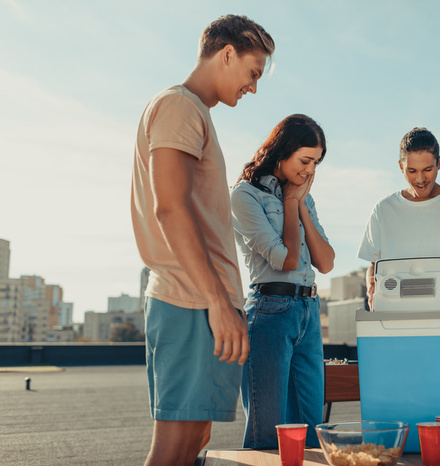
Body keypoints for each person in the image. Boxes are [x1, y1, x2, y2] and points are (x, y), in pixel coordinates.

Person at [130, 15, 274, 466]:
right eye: (253, 72)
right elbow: (169, 207)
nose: (254, 87)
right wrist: (216, 301)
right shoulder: (180, 106)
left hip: (202, 301)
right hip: (190, 300)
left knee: (194, 442)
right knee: (173, 450)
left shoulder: (194, 113)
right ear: (226, 53)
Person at [358, 127, 440, 412]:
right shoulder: (383, 209)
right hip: (395, 324)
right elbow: (373, 265)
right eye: (411, 170)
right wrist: (371, 286)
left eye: (428, 169)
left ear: (439, 163)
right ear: (400, 166)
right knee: (402, 405)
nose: (420, 179)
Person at [230, 114, 335, 449]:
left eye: (316, 163)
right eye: (305, 160)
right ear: (283, 151)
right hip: (270, 313)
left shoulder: (305, 196)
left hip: (309, 310)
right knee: (269, 431)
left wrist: (301, 203)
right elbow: (286, 260)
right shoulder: (244, 196)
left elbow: (326, 262)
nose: (309, 171)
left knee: (312, 429)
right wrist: (290, 202)